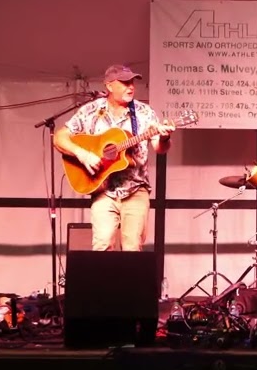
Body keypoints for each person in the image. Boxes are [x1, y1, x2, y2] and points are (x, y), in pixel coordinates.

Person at [54, 64, 174, 251]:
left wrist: (165, 136)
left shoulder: (144, 113)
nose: (131, 87)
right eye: (125, 83)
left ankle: (130, 281)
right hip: (103, 189)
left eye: (132, 82)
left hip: (135, 189)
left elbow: (160, 148)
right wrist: (83, 154)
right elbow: (60, 137)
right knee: (102, 246)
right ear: (109, 86)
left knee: (132, 248)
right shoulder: (90, 111)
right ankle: (103, 282)